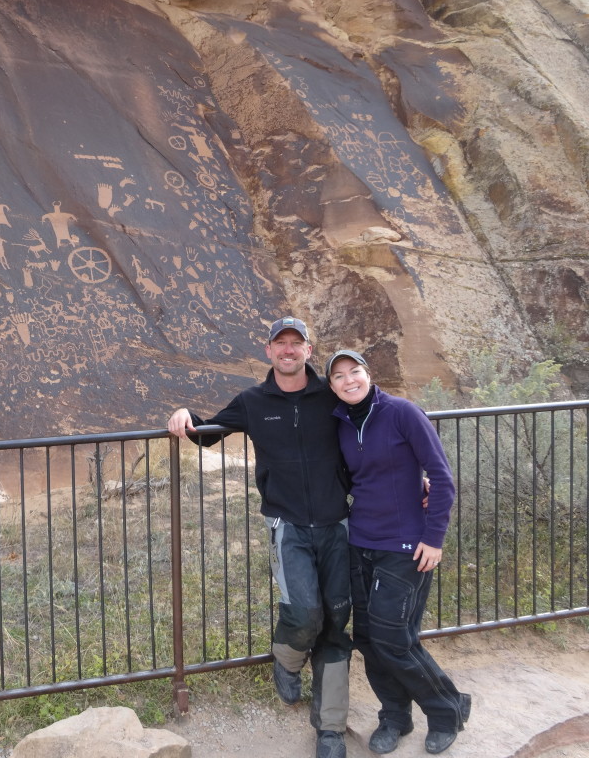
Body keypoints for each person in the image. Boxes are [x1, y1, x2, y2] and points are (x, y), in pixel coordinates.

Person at [168, 317, 352, 758]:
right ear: (268, 351)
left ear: (309, 350)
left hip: (338, 523)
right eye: (280, 343)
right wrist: (186, 416)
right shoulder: (253, 401)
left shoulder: (332, 393)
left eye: (297, 343)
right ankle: (286, 661)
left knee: (337, 618)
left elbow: (378, 424)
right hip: (286, 525)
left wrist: (416, 476)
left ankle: (330, 730)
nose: (288, 350)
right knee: (305, 611)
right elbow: (210, 432)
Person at [325, 350, 472, 755]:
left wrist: (435, 537)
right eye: (338, 376)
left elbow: (441, 477)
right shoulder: (338, 422)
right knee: (370, 638)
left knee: (394, 638)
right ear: (332, 386)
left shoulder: (402, 412)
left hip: (406, 544)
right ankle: (395, 716)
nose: (348, 380)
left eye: (354, 371)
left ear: (368, 373)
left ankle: (447, 710)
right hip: (361, 541)